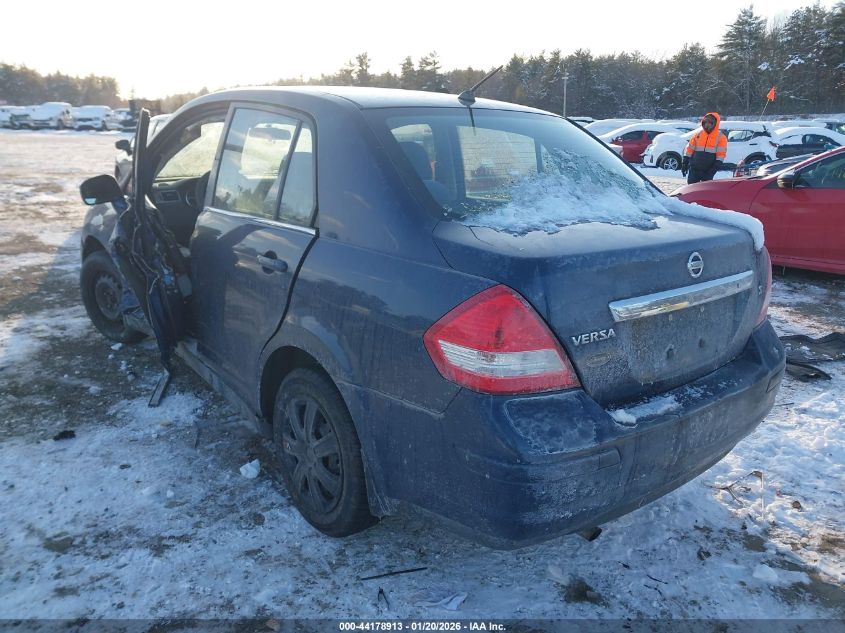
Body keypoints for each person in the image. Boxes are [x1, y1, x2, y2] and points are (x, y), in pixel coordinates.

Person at [681, 112, 727, 184]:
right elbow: (689, 150)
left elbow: (720, 157)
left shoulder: (721, 138)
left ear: (715, 124)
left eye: (710, 123)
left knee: (704, 193)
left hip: (708, 171)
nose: (707, 125)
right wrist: (684, 163)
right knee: (691, 191)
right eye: (705, 122)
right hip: (694, 170)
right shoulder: (697, 135)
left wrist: (712, 171)